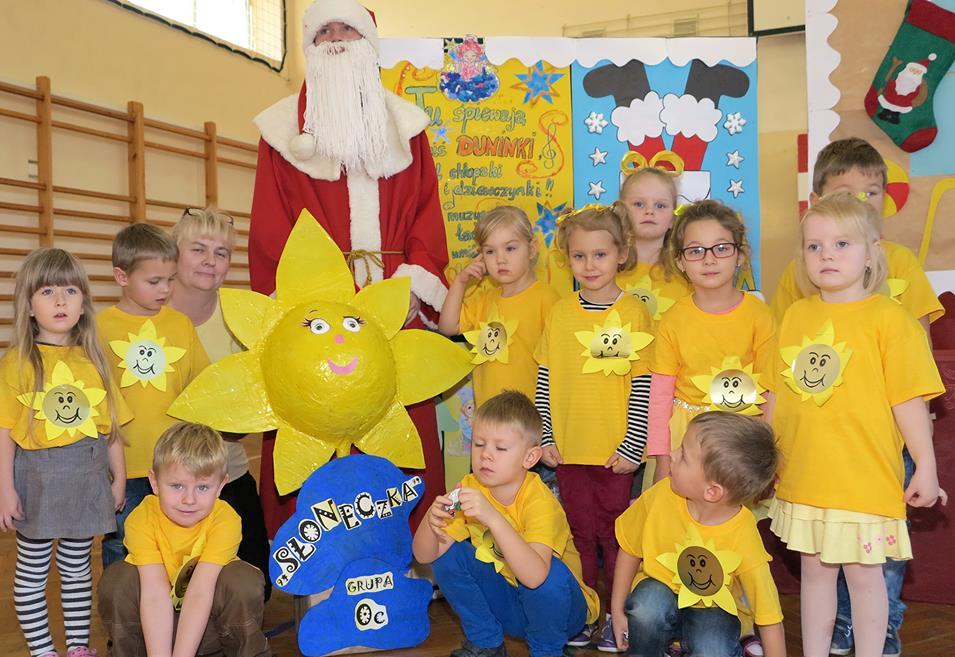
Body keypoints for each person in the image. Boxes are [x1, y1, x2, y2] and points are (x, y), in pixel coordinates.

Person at [250, 0, 449, 533]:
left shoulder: (407, 130)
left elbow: (427, 218)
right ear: (310, 47)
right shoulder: (279, 134)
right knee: (310, 425)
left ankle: (411, 551)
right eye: (324, 32)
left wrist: (412, 287)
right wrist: (295, 311)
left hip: (396, 310)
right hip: (313, 317)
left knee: (403, 432)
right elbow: (270, 229)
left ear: (369, 44)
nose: (336, 39)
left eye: (348, 29)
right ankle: (308, 555)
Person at [769, 137, 943, 657]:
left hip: (864, 478)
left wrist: (926, 466)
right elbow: (779, 392)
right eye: (815, 246)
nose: (826, 255)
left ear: (871, 254)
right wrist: (765, 454)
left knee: (867, 580)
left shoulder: (891, 320)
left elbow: (909, 400)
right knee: (815, 575)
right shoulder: (797, 315)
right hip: (806, 474)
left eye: (842, 244)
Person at [534, 202, 654, 651]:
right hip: (568, 452)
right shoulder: (561, 312)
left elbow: (643, 386)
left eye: (600, 255)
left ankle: (617, 616)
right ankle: (586, 613)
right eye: (579, 256)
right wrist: (546, 436)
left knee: (616, 537)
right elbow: (544, 379)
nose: (589, 265)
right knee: (579, 537)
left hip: (615, 455)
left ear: (621, 254)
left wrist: (634, 445)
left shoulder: (635, 313)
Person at [0, 248, 130, 657]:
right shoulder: (19, 361)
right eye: (48, 292)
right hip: (37, 480)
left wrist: (119, 478)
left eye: (71, 291)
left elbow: (110, 428)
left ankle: (77, 647)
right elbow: (4, 432)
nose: (60, 301)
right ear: (29, 306)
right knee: (32, 573)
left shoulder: (95, 359)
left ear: (83, 303)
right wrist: (5, 489)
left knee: (77, 569)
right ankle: (43, 651)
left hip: (86, 478)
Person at [412, 391, 599, 657]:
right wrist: (431, 520)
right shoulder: (469, 487)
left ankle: (547, 651)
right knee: (448, 554)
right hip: (512, 603)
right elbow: (425, 556)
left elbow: (535, 578)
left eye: (500, 448)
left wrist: (493, 518)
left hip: (563, 613)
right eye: (479, 444)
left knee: (550, 572)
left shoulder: (540, 502)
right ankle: (486, 642)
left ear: (530, 458)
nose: (486, 455)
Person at [611, 412, 786, 657]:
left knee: (712, 646)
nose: (672, 454)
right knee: (646, 607)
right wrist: (617, 611)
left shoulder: (743, 532)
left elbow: (769, 614)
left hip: (714, 608)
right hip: (660, 593)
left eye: (683, 455)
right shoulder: (659, 495)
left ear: (712, 491)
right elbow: (629, 548)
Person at [98, 422, 270, 657]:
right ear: (154, 482)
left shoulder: (226, 519)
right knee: (117, 581)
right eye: (177, 486)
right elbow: (154, 594)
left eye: (203, 488)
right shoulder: (141, 518)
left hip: (209, 626)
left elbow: (200, 592)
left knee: (243, 580)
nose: (189, 500)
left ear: (221, 486)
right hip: (155, 627)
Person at [169, 207, 271, 599]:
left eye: (221, 252)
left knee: (257, 585)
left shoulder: (238, 320)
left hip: (226, 471)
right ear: (175, 254)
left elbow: (246, 413)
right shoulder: (149, 314)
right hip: (160, 479)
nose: (210, 261)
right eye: (198, 249)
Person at [97, 223, 210, 566]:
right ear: (121, 276)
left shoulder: (180, 325)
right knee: (121, 541)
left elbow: (203, 386)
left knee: (174, 542)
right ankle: (122, 602)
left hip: (174, 463)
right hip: (124, 463)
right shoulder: (99, 328)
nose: (165, 289)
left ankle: (170, 598)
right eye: (154, 281)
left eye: (170, 279)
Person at [647, 200, 776, 484]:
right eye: (695, 251)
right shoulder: (672, 320)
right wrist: (663, 460)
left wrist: (765, 453)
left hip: (742, 437)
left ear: (740, 255)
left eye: (721, 248)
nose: (709, 259)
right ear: (680, 261)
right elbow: (659, 397)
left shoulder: (760, 315)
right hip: (684, 441)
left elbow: (771, 390)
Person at [769, 137, 944, 333]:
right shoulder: (799, 270)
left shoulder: (901, 261)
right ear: (816, 202)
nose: (860, 202)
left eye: (871, 193)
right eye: (846, 194)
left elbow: (920, 341)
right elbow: (779, 340)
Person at [438, 205, 560, 406]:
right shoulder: (484, 299)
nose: (500, 259)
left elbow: (560, 362)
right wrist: (460, 282)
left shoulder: (546, 298)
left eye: (510, 248)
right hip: (488, 414)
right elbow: (447, 327)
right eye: (490, 251)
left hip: (528, 415)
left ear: (531, 249)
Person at [615, 165, 691, 323]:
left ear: (672, 219)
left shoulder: (687, 272)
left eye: (660, 205)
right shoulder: (606, 269)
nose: (649, 211)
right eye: (639, 204)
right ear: (622, 212)